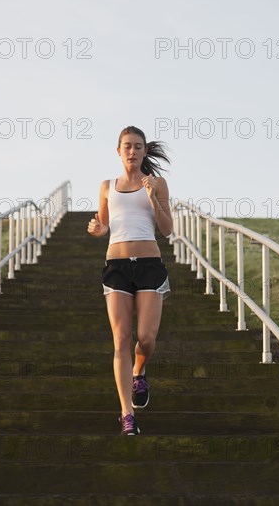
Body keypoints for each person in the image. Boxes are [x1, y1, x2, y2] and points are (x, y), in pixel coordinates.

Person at [87, 125, 173, 435]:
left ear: (145, 151)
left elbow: (167, 229)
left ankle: (139, 370)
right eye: (127, 146)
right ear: (119, 150)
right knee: (121, 339)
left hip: (149, 264)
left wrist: (152, 198)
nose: (132, 151)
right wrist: (98, 230)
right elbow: (104, 224)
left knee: (146, 339)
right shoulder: (107, 186)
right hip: (117, 267)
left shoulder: (157, 183)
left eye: (138, 146)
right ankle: (126, 414)